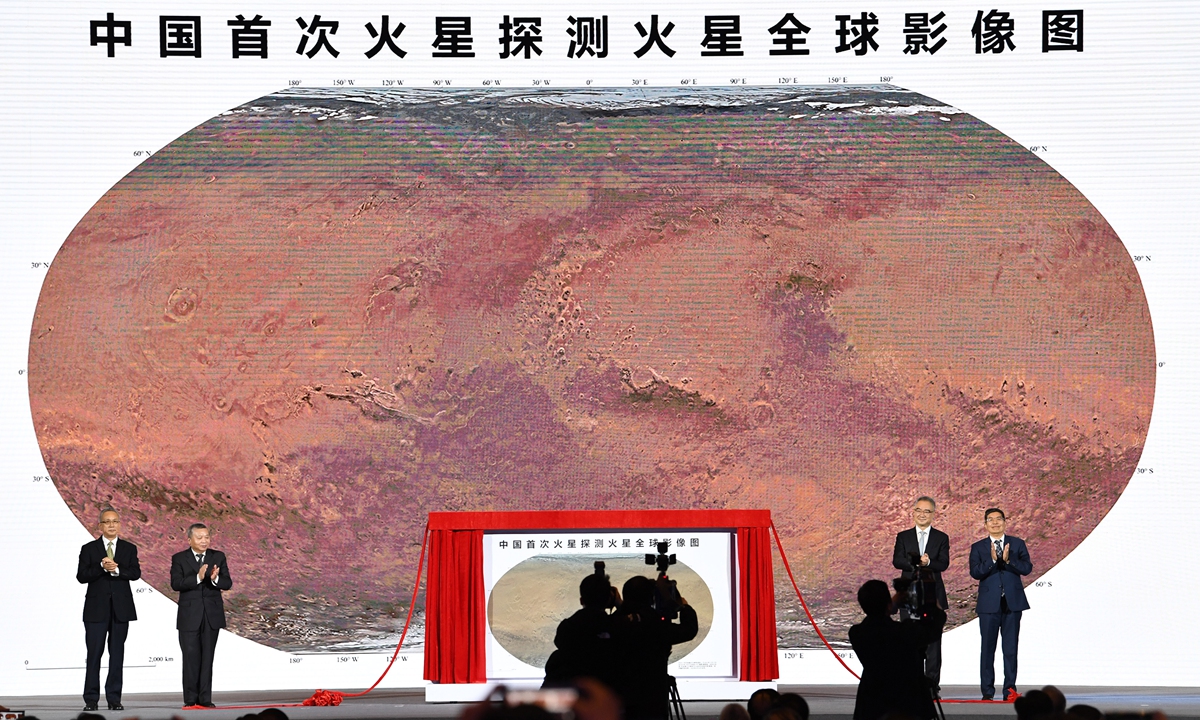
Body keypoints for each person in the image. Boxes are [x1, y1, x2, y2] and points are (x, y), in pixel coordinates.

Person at [848, 579, 946, 720]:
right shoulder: (904, 632)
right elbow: (935, 627)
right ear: (888, 604)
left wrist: (891, 605)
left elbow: (876, 621)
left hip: (871, 703)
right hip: (907, 702)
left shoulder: (857, 633)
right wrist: (929, 600)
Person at [76, 508, 140, 711]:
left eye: (115, 521)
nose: (111, 525)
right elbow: (81, 576)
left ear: (119, 524)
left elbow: (135, 573)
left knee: (117, 655)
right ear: (100, 526)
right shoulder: (89, 549)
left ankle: (114, 698)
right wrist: (102, 567)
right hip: (96, 610)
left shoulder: (129, 548)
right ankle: (91, 699)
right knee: (94, 654)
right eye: (107, 522)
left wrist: (117, 569)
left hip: (121, 610)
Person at [610, 575, 698, 720]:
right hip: (653, 699)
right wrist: (683, 606)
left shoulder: (615, 623)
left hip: (621, 698)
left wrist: (620, 606)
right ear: (651, 599)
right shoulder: (655, 624)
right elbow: (688, 630)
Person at [969, 507, 1032, 701]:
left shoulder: (1017, 544)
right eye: (991, 520)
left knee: (1010, 649)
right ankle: (987, 692)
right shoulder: (978, 547)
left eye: (999, 519)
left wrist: (1008, 560)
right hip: (989, 605)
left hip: (1012, 604)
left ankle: (1009, 690)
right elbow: (975, 572)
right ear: (985, 524)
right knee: (988, 649)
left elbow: (1027, 568)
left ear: (1005, 522)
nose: (995, 523)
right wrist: (993, 560)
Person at [170, 522, 233, 708]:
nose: (204, 540)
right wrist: (198, 577)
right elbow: (176, 584)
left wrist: (215, 579)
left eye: (207, 537)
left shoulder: (218, 556)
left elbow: (227, 583)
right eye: (199, 537)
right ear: (189, 540)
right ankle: (190, 698)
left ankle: (205, 698)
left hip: (211, 615)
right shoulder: (179, 558)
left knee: (207, 657)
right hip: (189, 615)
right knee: (190, 657)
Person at [892, 496, 950, 694]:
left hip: (933, 596)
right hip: (909, 596)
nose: (922, 514)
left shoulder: (941, 537)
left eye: (927, 511)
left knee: (933, 644)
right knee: (909, 642)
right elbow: (897, 561)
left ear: (933, 514)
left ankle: (931, 685)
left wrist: (929, 563)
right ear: (913, 512)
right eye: (919, 510)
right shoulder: (903, 536)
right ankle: (911, 684)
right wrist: (917, 562)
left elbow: (943, 563)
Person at [543, 567, 620, 688]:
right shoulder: (618, 626)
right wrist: (620, 606)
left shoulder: (567, 627)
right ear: (609, 600)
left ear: (581, 600)